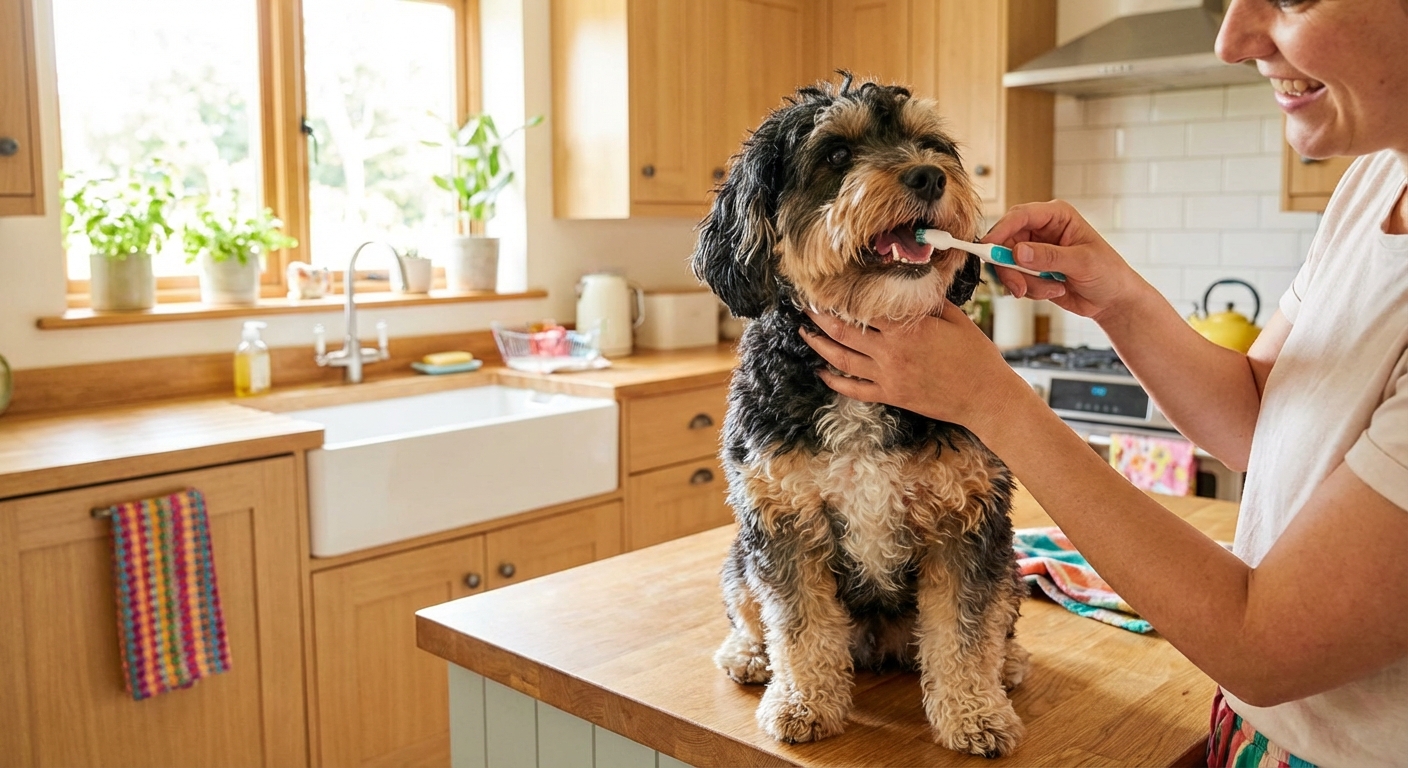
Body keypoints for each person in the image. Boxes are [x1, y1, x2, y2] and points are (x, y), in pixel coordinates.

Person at [799, 0, 1408, 765]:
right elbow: (1255, 419)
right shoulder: (1373, 185)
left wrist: (994, 401)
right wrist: (1119, 296)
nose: (1230, 41)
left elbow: (1266, 646)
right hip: (1252, 734)